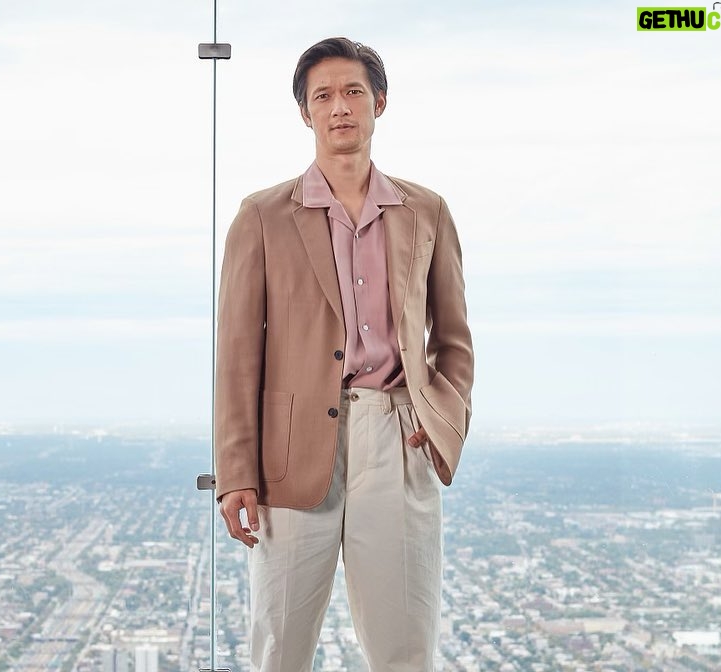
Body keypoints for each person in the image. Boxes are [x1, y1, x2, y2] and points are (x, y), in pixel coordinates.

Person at [214, 36, 474, 672]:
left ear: (379, 103)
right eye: (323, 96)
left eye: (353, 92)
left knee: (406, 646)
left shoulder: (427, 211)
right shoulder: (262, 215)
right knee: (279, 646)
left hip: (397, 433)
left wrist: (440, 421)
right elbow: (237, 355)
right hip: (292, 445)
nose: (340, 108)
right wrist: (235, 474)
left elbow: (455, 339)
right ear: (305, 112)